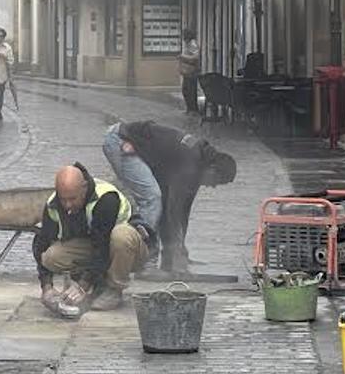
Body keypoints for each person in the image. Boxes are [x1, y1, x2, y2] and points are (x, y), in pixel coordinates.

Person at [103, 120, 238, 273]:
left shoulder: (197, 164)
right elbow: (172, 210)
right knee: (152, 199)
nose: (212, 186)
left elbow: (183, 210)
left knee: (155, 201)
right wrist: (175, 250)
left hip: (134, 145)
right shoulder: (190, 163)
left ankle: (138, 251)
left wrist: (179, 249)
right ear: (212, 169)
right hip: (121, 141)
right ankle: (143, 258)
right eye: (216, 182)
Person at [33, 163, 153, 314]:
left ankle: (113, 289)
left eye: (73, 199)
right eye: (63, 199)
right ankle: (93, 284)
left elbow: (102, 247)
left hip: (130, 250)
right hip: (96, 246)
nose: (68, 205)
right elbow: (41, 243)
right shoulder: (53, 204)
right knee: (51, 257)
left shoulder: (106, 198)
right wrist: (46, 287)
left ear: (84, 188)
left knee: (121, 236)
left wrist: (83, 285)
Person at [178, 29, 201, 115]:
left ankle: (193, 109)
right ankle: (189, 108)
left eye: (184, 36)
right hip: (187, 71)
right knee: (186, 90)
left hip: (192, 71)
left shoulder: (193, 44)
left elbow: (196, 57)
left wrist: (183, 57)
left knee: (191, 90)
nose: (183, 38)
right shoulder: (187, 44)